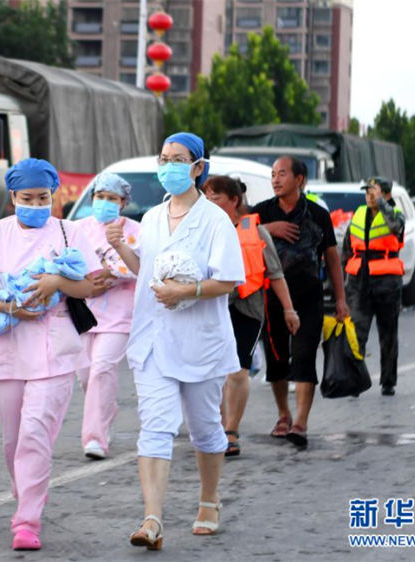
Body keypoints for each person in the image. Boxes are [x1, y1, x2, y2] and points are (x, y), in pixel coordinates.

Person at [107, 133, 244, 549]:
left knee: (205, 429)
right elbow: (147, 270)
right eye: (164, 158)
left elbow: (228, 281)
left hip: (200, 342)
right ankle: (152, 519)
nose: (168, 166)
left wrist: (187, 292)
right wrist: (120, 248)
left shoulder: (215, 221)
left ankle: (209, 500)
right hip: (153, 338)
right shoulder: (151, 218)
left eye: (178, 159)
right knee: (155, 426)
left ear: (198, 168)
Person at [0, 158, 100, 551]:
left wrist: (57, 281)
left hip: (55, 349)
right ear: (12, 197)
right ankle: (25, 491)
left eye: (43, 197)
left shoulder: (70, 231)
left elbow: (88, 286)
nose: (36, 204)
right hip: (6, 346)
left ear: (53, 195)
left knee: (36, 433)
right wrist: (7, 307)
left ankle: (27, 521)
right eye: (27, 198)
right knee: (13, 439)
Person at [253, 156, 349, 450]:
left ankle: (301, 423)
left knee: (305, 356)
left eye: (282, 174)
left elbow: (332, 258)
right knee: (277, 359)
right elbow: (238, 236)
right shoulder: (261, 213)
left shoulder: (318, 215)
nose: (275, 179)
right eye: (273, 174)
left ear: (300, 179)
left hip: (308, 298)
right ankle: (284, 414)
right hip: (271, 299)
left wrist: (341, 299)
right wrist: (269, 228)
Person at [203, 176, 300, 457]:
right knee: (212, 371)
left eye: (216, 198)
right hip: (211, 307)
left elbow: (276, 274)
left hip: (247, 309)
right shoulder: (202, 231)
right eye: (206, 198)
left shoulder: (256, 232)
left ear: (234, 201)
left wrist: (289, 309)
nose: (209, 203)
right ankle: (216, 427)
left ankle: (231, 430)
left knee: (238, 370)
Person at [74, 172, 140, 460]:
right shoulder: (77, 229)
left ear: (123, 202)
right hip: (82, 313)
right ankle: (106, 412)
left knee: (102, 369)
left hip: (119, 315)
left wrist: (111, 272)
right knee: (86, 376)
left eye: (112, 198)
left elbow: (140, 267)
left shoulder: (135, 231)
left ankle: (95, 439)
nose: (104, 202)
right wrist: (86, 280)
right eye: (100, 197)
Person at [343, 176, 405, 396]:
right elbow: (347, 248)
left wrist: (381, 203)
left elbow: (396, 227)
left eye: (374, 192)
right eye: (367, 192)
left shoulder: (395, 213)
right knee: (356, 332)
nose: (369, 196)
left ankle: (388, 381)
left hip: (387, 282)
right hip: (359, 280)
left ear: (386, 194)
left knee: (388, 334)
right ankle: (355, 381)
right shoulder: (358, 215)